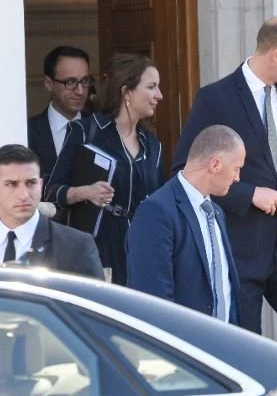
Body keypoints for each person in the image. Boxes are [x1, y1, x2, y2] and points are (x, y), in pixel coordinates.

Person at [171, 15, 277, 358]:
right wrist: (249, 194)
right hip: (237, 250)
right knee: (245, 357)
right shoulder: (215, 98)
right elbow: (185, 172)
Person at [44, 53, 165, 285]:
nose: (159, 95)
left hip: (142, 247)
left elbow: (159, 200)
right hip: (99, 247)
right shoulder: (86, 131)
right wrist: (84, 193)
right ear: (126, 91)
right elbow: (50, 190)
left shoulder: (153, 144)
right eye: (151, 87)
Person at [127, 125, 244, 323]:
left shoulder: (216, 212)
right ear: (215, 165)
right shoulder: (156, 211)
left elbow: (226, 291)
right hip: (179, 347)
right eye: (236, 168)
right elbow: (153, 301)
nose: (237, 178)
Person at [0, 144, 104, 279]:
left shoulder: (76, 246)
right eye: (11, 184)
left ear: (41, 185)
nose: (23, 195)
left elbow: (93, 299)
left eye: (31, 183)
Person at [28, 46, 93, 181]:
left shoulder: (100, 128)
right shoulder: (28, 132)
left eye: (85, 81)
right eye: (70, 82)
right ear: (49, 84)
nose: (80, 91)